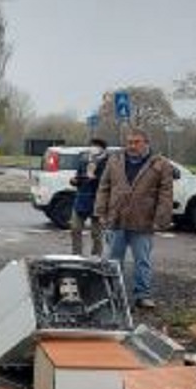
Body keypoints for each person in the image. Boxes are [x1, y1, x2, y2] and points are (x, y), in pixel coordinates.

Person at [95, 128, 173, 309]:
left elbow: (165, 194)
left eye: (137, 142)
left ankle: (142, 295)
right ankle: (113, 294)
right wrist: (100, 212)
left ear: (146, 143)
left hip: (143, 221)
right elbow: (104, 187)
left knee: (142, 260)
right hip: (116, 218)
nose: (132, 145)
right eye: (129, 142)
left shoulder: (160, 164)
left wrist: (161, 219)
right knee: (113, 260)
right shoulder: (114, 160)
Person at [69, 137, 108, 256]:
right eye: (91, 146)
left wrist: (95, 178)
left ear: (102, 149)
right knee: (75, 229)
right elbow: (78, 177)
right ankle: (76, 255)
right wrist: (74, 181)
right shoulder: (84, 160)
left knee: (96, 233)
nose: (92, 149)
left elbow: (107, 182)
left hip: (97, 201)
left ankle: (96, 257)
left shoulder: (107, 162)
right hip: (81, 200)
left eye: (96, 146)